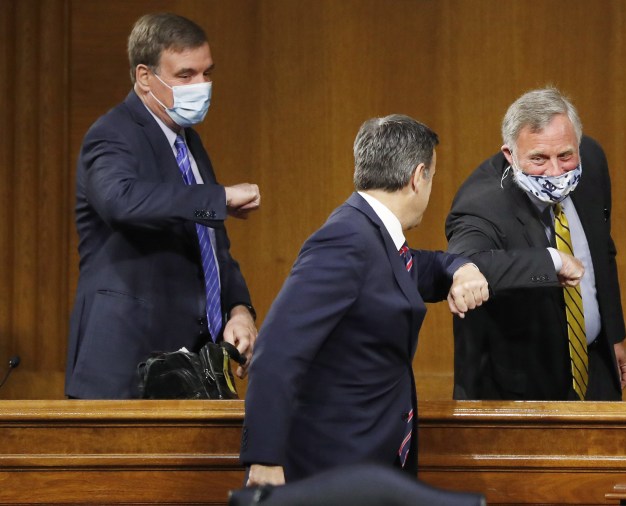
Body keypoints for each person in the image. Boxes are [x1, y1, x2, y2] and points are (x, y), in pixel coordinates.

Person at [240, 115, 489, 486]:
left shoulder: (375, 237)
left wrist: (462, 268)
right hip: (332, 466)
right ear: (418, 176)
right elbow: (276, 349)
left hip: (370, 464)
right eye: (432, 178)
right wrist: (264, 458)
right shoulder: (345, 240)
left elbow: (423, 266)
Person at [65, 13, 260, 399]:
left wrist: (239, 309)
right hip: (125, 368)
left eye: (207, 73)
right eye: (186, 75)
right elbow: (121, 201)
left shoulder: (189, 143)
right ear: (144, 77)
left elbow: (210, 244)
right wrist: (219, 196)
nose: (201, 86)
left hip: (190, 368)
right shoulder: (112, 133)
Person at [446, 87, 626, 401]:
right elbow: (467, 262)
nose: (556, 171)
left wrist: (613, 335)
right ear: (510, 154)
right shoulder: (482, 202)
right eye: (539, 159)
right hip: (518, 392)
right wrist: (551, 262)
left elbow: (602, 250)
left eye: (565, 155)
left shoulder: (592, 162)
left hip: (595, 368)